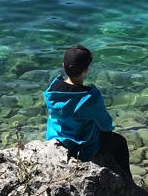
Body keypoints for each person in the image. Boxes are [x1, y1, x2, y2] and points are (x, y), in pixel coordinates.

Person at [44, 44, 132, 180]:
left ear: (63, 65)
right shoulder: (90, 97)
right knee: (120, 142)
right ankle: (128, 180)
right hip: (81, 145)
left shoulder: (52, 90)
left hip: (57, 137)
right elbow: (106, 125)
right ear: (86, 70)